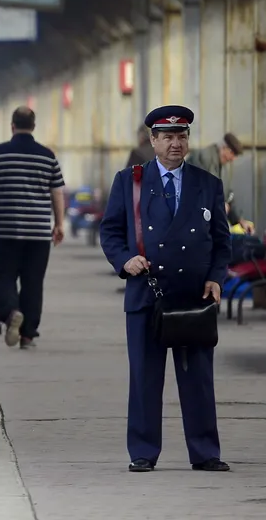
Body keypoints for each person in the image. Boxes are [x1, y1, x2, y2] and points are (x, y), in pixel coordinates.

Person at [98, 104, 232, 473]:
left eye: (182, 136)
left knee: (198, 379)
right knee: (144, 376)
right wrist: (124, 259)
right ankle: (142, 451)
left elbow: (222, 242)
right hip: (146, 294)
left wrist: (215, 278)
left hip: (193, 298)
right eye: (168, 137)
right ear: (153, 140)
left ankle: (205, 452)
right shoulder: (130, 181)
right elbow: (110, 231)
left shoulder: (208, 184)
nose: (176, 143)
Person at [0, 106, 66, 349]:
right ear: (33, 127)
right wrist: (59, 223)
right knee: (33, 282)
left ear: (12, 126)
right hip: (37, 233)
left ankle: (11, 312)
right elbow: (57, 191)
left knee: (1, 276)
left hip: (5, 231)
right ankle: (27, 335)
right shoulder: (47, 156)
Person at [186, 132, 252, 233]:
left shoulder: (222, 169)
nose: (232, 159)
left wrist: (240, 221)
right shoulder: (203, 158)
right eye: (232, 154)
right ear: (224, 148)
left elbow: (228, 197)